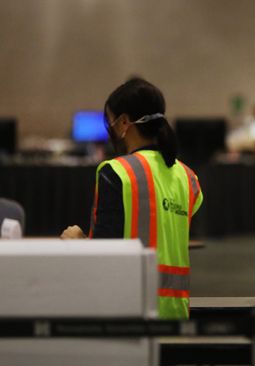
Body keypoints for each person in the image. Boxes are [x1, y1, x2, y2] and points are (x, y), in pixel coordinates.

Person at [60, 77, 203, 319]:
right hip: (177, 314)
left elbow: (104, 255)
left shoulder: (116, 172)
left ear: (124, 122)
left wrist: (76, 240)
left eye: (110, 121)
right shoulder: (189, 179)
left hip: (129, 313)